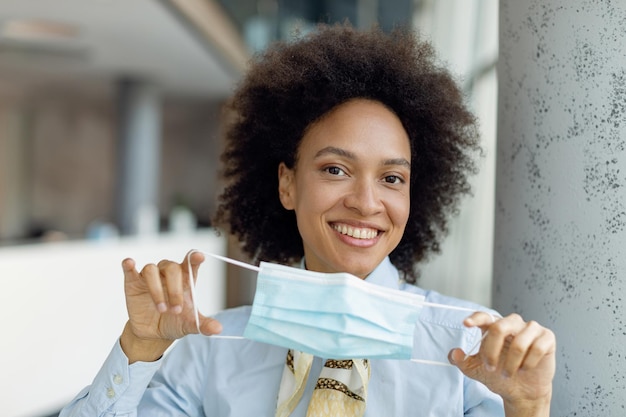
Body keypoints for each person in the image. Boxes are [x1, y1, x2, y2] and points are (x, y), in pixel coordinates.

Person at [60, 24, 555, 417]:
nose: (366, 203)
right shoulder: (208, 350)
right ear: (287, 184)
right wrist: (140, 347)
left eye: (391, 178)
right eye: (335, 169)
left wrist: (528, 409)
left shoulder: (471, 347)